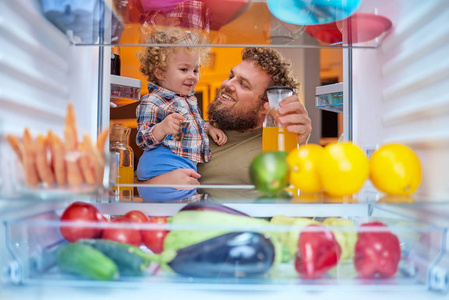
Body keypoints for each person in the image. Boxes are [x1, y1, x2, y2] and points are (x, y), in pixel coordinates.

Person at [139, 47, 312, 197]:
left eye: (243, 84)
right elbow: (136, 182)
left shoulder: (276, 144)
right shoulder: (193, 131)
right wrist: (154, 185)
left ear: (265, 106)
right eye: (231, 76)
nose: (227, 84)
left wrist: (299, 146)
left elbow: (296, 209)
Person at [135, 29, 227, 200]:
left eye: (196, 70)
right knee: (180, 198)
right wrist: (162, 128)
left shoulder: (189, 99)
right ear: (160, 72)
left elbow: (194, 123)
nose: (192, 76)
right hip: (162, 164)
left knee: (185, 194)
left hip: (183, 163)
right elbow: (142, 139)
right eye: (184, 69)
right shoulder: (152, 101)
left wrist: (207, 127)